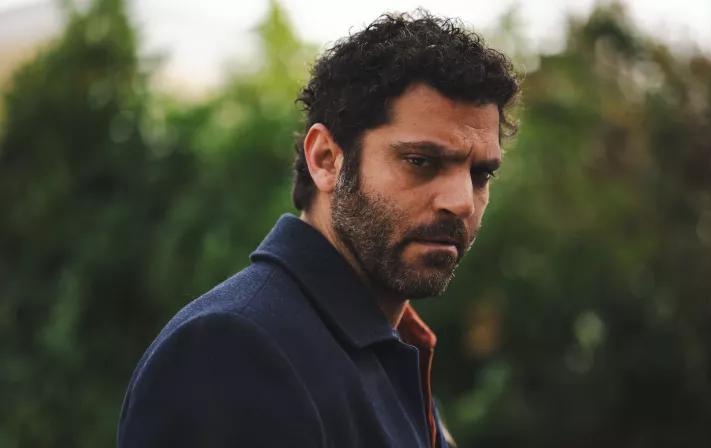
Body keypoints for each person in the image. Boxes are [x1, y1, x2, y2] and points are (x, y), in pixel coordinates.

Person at [117, 10, 520, 448]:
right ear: (326, 159)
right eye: (421, 161)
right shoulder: (231, 350)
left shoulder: (390, 348)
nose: (462, 202)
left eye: (480, 175)